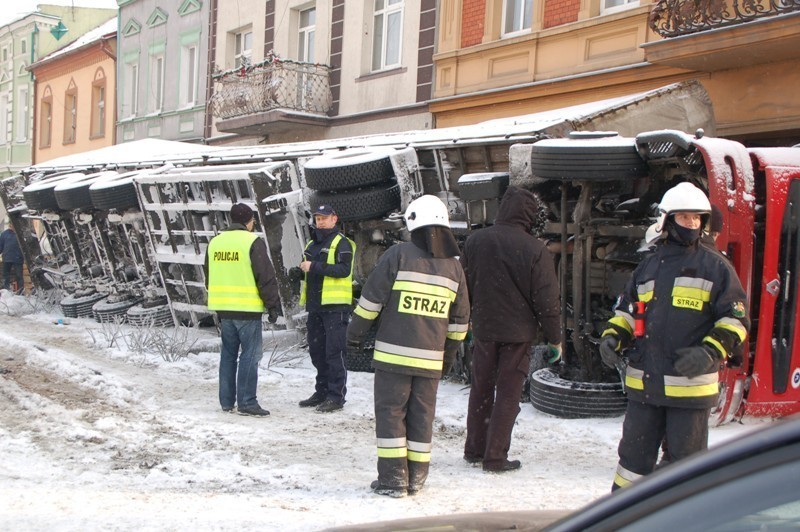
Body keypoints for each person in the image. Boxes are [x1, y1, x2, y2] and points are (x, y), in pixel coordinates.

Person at [599, 182, 749, 490]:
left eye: (697, 219)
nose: (692, 225)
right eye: (685, 218)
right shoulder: (648, 267)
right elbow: (628, 311)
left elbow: (735, 320)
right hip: (645, 386)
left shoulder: (716, 267)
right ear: (667, 221)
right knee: (632, 464)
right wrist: (614, 336)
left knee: (686, 469)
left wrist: (710, 351)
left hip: (689, 391)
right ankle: (621, 516)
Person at [346, 195, 470, 497]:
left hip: (393, 358)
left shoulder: (398, 255)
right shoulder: (454, 269)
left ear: (412, 221)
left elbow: (371, 301)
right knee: (422, 417)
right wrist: (448, 357)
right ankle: (416, 478)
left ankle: (393, 480)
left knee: (391, 415)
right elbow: (460, 322)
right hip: (430, 361)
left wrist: (353, 335)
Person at [461, 185, 562, 472]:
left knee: (480, 388)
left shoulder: (475, 241)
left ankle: (474, 449)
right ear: (529, 215)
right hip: (518, 335)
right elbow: (546, 299)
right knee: (508, 392)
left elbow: (463, 286)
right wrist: (555, 338)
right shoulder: (534, 248)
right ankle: (494, 457)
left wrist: (466, 320)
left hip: (484, 329)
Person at [205, 203, 281, 416]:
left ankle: (227, 401)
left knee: (228, 354)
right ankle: (247, 402)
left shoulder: (215, 242)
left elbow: (208, 276)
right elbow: (265, 276)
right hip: (247, 310)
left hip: (223, 309)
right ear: (250, 221)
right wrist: (273, 305)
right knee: (250, 355)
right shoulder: (252, 242)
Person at [293, 205, 355, 413]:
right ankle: (321, 392)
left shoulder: (342, 243)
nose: (320, 222)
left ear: (334, 219)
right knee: (317, 351)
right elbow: (310, 272)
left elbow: (344, 270)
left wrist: (314, 267)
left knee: (334, 352)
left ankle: (336, 396)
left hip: (335, 307)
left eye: (324, 218)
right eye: (318, 218)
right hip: (315, 306)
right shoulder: (312, 243)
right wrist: (299, 273)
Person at [0, 220, 25, 293]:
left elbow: (25, 246)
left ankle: (21, 291)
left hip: (18, 258)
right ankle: (5, 290)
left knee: (19, 276)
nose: (12, 226)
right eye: (11, 224)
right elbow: (1, 246)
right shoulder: (4, 234)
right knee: (5, 276)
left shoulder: (20, 233)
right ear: (10, 225)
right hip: (7, 258)